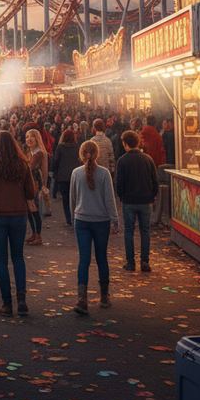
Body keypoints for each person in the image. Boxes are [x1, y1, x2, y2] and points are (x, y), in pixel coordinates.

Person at [0, 131, 36, 317]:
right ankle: (22, 300)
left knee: (2, 261)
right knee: (18, 257)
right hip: (19, 214)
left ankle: (7, 303)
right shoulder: (23, 165)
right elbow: (30, 192)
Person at [70, 140, 119, 315]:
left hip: (81, 219)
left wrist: (73, 216)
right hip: (101, 221)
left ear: (82, 154)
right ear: (97, 154)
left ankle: (82, 299)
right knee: (101, 257)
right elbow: (109, 199)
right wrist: (114, 219)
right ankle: (104, 296)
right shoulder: (104, 174)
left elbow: (73, 199)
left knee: (84, 259)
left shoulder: (76, 173)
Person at [115, 130, 159, 273]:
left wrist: (121, 196)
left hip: (129, 201)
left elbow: (119, 183)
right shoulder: (148, 159)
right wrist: (152, 195)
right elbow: (155, 181)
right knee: (145, 231)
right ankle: (145, 261)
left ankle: (131, 262)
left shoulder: (122, 161)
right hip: (145, 200)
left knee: (129, 231)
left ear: (125, 144)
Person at [51, 128, 81, 226]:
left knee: (66, 198)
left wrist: (53, 172)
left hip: (63, 176)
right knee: (75, 198)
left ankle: (69, 218)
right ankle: (76, 216)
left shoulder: (60, 147)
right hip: (75, 176)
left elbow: (56, 161)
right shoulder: (77, 147)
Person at [24, 129, 48, 246]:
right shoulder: (32, 152)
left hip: (34, 185)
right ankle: (34, 233)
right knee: (30, 209)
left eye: (31, 137)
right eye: (27, 137)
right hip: (30, 184)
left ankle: (38, 235)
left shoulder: (38, 153)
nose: (28, 139)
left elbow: (29, 167)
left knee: (34, 209)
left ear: (37, 139)